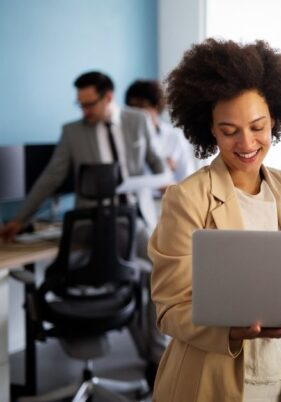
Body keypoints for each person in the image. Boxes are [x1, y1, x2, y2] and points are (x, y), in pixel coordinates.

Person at [149, 38, 281, 402]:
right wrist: (233, 330)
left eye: (258, 126)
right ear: (210, 128)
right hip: (210, 380)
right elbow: (170, 309)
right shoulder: (187, 198)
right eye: (229, 131)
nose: (246, 143)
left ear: (276, 118)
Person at [0, 71, 168, 380]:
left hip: (134, 218)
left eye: (89, 104)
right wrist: (19, 219)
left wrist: (142, 183)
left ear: (108, 97)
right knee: (117, 275)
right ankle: (149, 355)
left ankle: (158, 355)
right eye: (80, 105)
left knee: (162, 276)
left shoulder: (138, 122)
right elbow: (51, 177)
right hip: (92, 226)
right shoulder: (73, 132)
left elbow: (162, 170)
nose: (84, 112)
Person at [125, 79, 196, 183]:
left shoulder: (174, 137)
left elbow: (188, 178)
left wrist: (168, 174)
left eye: (142, 106)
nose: (138, 113)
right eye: (133, 107)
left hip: (168, 197)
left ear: (156, 106)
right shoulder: (123, 136)